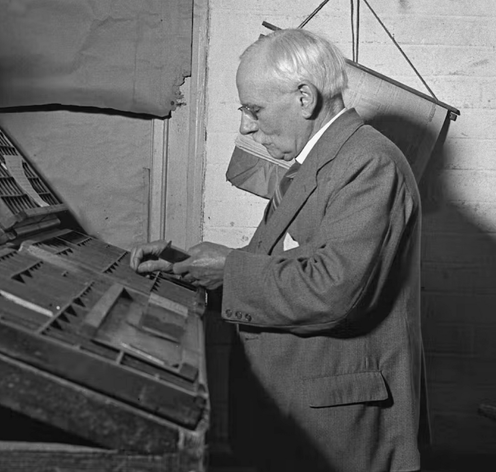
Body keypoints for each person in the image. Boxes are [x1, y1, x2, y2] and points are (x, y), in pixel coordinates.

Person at [131, 29, 425, 472]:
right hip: (297, 414)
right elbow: (273, 273)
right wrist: (191, 269)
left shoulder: (368, 163)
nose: (247, 125)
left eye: (254, 109)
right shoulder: (315, 163)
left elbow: (333, 289)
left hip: (337, 429)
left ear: (305, 98)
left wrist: (229, 271)